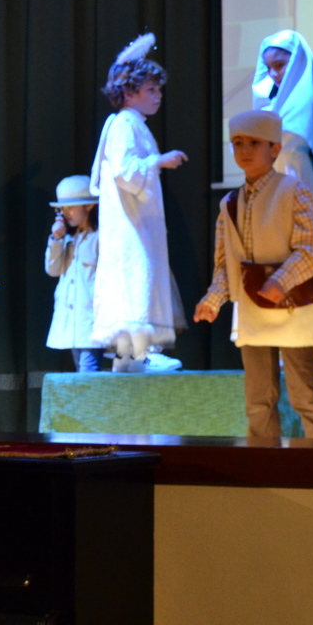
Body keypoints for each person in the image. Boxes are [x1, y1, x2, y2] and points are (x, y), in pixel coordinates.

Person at [195, 111, 313, 437]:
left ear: (275, 149)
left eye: (254, 143)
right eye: (237, 143)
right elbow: (226, 262)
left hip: (295, 306)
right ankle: (263, 458)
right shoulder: (230, 203)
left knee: (307, 396)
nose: (244, 150)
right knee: (258, 399)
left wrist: (280, 281)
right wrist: (213, 299)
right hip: (253, 306)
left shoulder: (294, 190)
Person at [90, 33, 186, 372]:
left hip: (138, 222)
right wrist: (158, 161)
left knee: (139, 280)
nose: (158, 95)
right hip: (130, 226)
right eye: (151, 89)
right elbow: (124, 171)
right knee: (135, 281)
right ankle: (139, 354)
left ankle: (128, 357)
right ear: (129, 92)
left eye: (159, 89)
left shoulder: (135, 125)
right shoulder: (124, 125)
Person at [251, 30, 313, 265]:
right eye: (268, 68)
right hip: (268, 179)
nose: (273, 74)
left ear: (296, 61)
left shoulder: (306, 97)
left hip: (294, 175)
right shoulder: (274, 102)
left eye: (279, 65)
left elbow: (281, 137)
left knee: (297, 246)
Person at [45, 175, 102, 371]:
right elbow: (52, 270)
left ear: (89, 206)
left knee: (87, 371)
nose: (65, 213)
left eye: (71, 207)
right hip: (72, 321)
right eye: (62, 209)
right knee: (81, 372)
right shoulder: (68, 239)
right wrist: (56, 238)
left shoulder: (101, 237)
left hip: (91, 319)